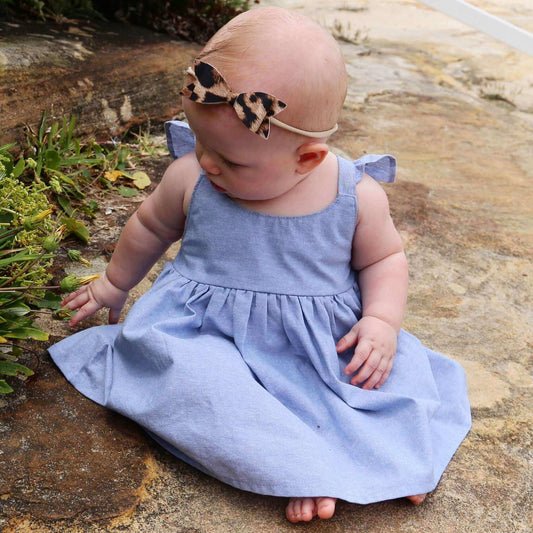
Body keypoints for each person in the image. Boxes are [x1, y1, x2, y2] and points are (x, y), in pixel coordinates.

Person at [49, 6, 471, 523]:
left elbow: (384, 258)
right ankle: (297, 464)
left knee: (372, 390)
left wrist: (381, 321)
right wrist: (115, 284)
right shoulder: (192, 177)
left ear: (308, 159)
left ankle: (378, 459)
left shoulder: (353, 195)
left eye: (231, 160)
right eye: (202, 143)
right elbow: (151, 226)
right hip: (204, 334)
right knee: (203, 389)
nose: (207, 163)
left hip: (313, 347)